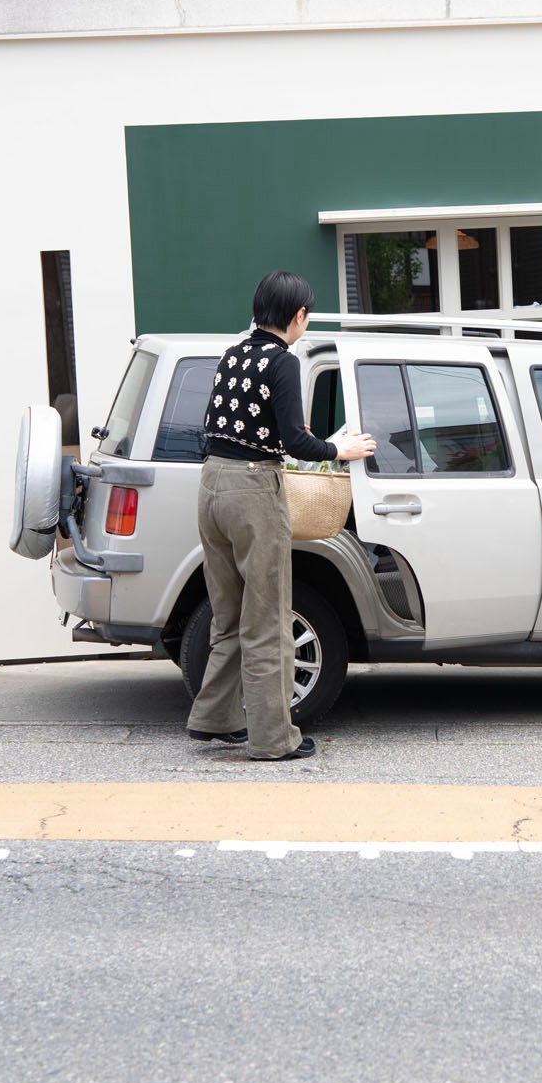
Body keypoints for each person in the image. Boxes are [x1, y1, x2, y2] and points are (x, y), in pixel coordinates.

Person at [187, 271, 376, 760]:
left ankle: (215, 718)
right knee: (268, 617)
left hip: (212, 485)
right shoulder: (283, 361)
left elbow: (225, 423)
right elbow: (297, 443)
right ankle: (273, 739)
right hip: (252, 490)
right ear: (297, 316)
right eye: (306, 315)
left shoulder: (233, 355)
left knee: (227, 614)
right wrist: (341, 448)